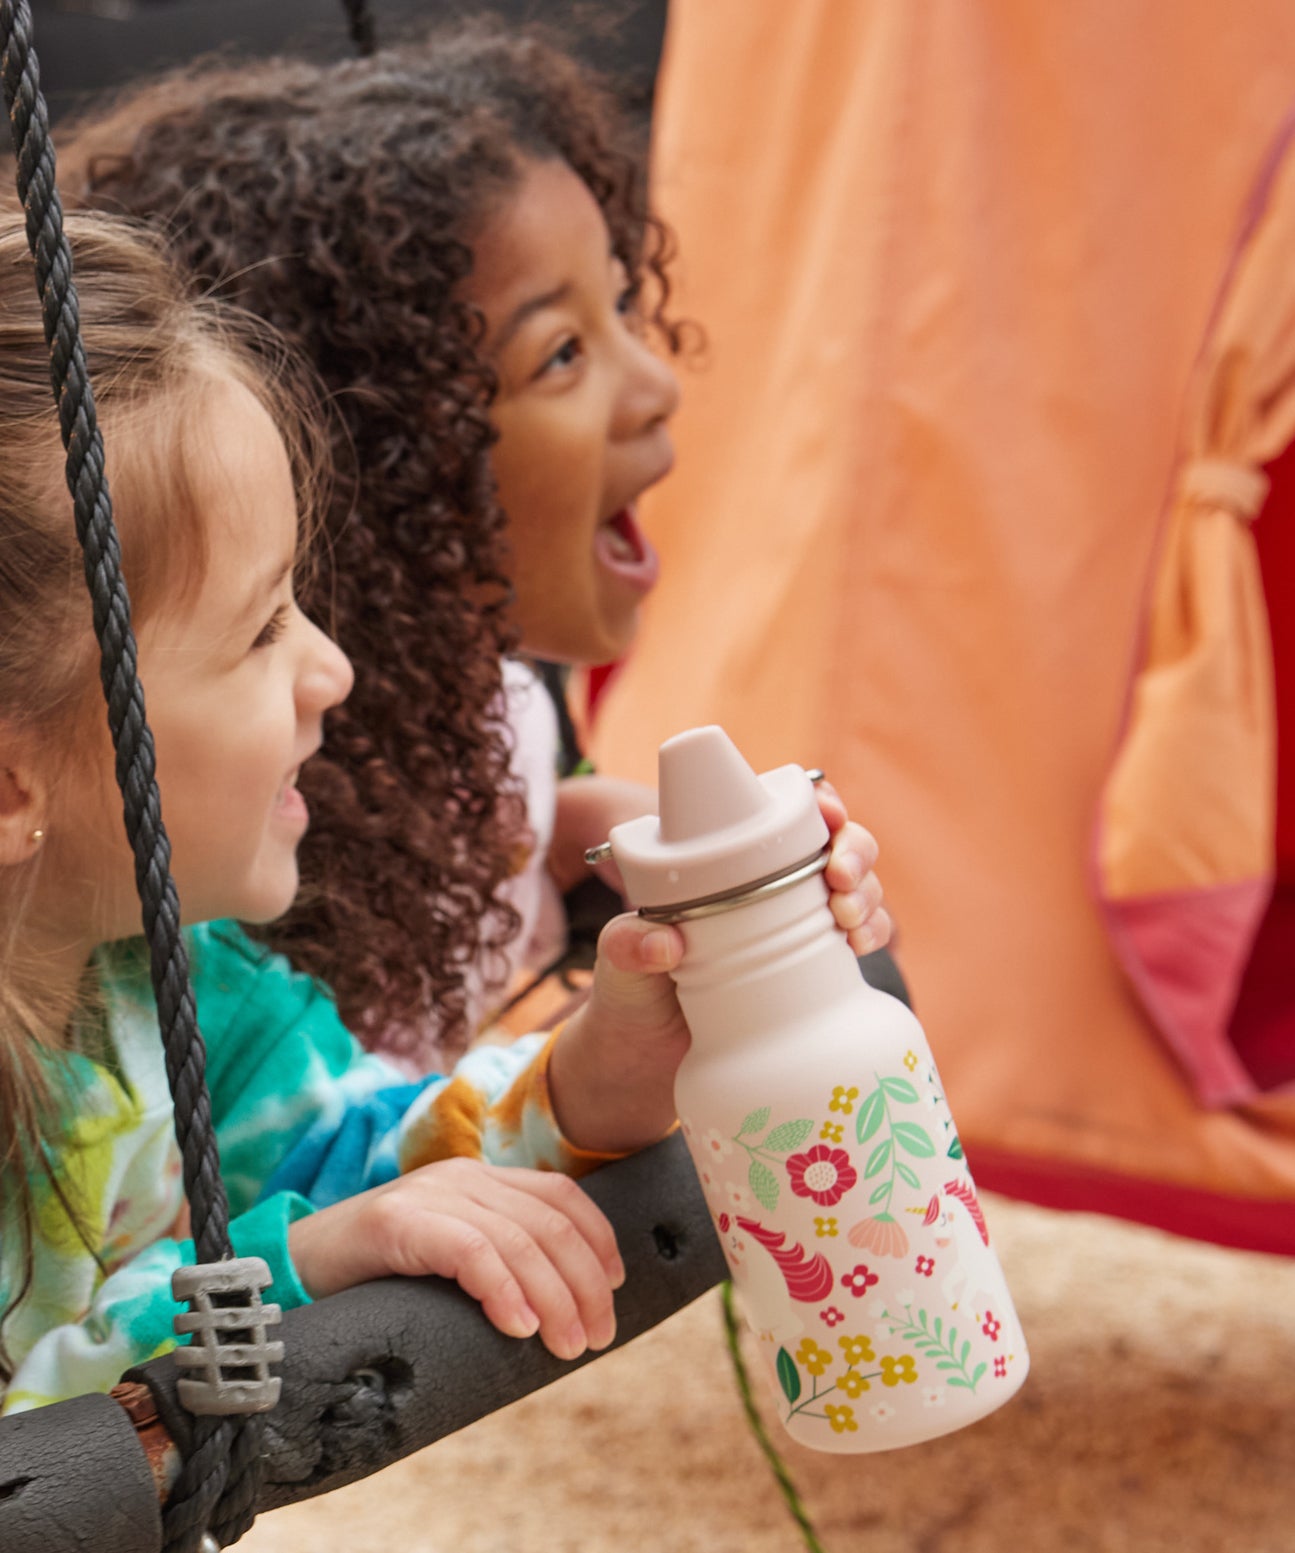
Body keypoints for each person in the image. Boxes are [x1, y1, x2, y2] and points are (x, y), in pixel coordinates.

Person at [0, 210, 888, 1413]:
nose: (333, 670)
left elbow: (368, 1155)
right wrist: (284, 1268)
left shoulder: (167, 984)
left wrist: (620, 1051)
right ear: (12, 781)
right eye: (262, 630)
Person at [55, 21, 696, 1069]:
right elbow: (358, 1153)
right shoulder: (256, 834)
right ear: (382, 454)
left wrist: (568, 843)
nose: (656, 383)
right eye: (564, 353)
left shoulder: (489, 704)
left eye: (622, 301)